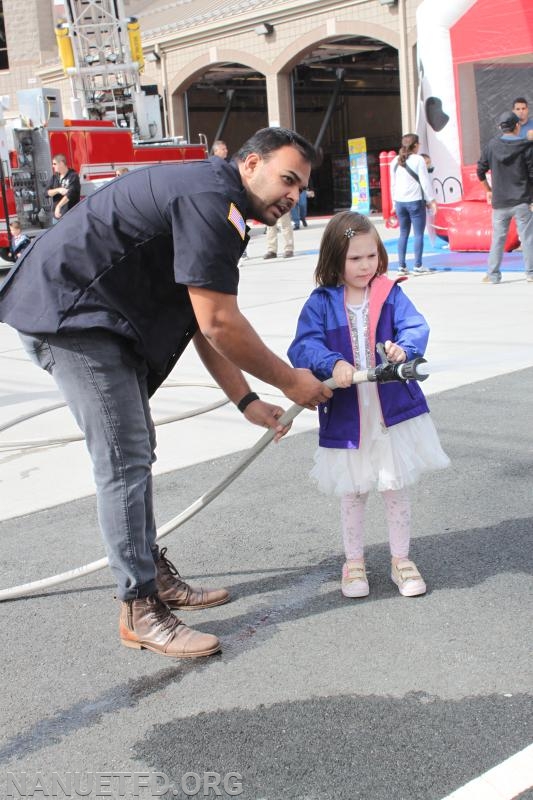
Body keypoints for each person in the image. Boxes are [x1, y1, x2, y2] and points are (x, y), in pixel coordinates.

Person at [0, 127, 332, 659]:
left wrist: (246, 401)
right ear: (250, 165)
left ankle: (148, 572)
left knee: (135, 449)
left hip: (95, 318)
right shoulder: (210, 200)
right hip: (70, 317)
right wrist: (292, 381)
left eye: (301, 187)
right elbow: (221, 322)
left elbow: (200, 321)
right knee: (124, 457)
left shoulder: (217, 204)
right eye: (287, 179)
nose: (293, 196)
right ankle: (139, 607)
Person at [288, 211, 449, 599]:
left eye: (371, 256)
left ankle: (401, 559)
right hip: (349, 412)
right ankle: (354, 562)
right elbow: (304, 346)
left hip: (390, 410)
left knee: (394, 487)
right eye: (354, 258)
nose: (365, 265)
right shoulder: (321, 303)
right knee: (354, 490)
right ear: (334, 259)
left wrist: (402, 349)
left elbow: (415, 327)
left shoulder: (389, 292)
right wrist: (333, 363)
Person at [477, 111, 533, 284]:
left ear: (500, 127)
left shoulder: (491, 145)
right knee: (528, 237)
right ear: (517, 126)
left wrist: (488, 189)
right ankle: (530, 273)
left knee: (498, 239)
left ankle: (493, 274)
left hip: (500, 201)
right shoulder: (526, 146)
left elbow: (480, 170)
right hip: (522, 199)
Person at [390, 133, 437, 276]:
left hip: (400, 202)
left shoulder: (394, 161)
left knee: (403, 233)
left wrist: (393, 203)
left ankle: (401, 266)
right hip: (415, 201)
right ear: (415, 145)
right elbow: (425, 181)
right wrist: (431, 201)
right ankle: (418, 265)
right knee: (418, 234)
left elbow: (393, 184)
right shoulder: (418, 160)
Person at [46, 153, 81, 223]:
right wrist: (58, 190)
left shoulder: (73, 176)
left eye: (54, 164)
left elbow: (71, 194)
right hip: (56, 217)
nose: (53, 166)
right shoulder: (55, 177)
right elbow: (46, 193)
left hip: (71, 215)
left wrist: (59, 206)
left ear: (61, 163)